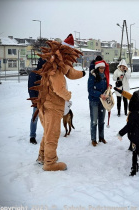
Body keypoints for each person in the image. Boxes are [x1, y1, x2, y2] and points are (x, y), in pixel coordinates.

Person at [30, 34, 86, 171]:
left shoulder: (58, 65)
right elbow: (58, 88)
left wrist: (82, 74)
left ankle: (42, 157)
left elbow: (70, 72)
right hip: (52, 107)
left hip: (46, 104)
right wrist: (68, 95)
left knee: (47, 133)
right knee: (52, 134)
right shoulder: (55, 69)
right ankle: (50, 162)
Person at [117, 89, 139, 176]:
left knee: (135, 152)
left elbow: (129, 126)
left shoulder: (133, 114)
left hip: (135, 136)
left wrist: (120, 133)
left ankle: (134, 167)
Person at [88, 60, 110, 147]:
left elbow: (104, 87)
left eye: (103, 68)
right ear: (97, 68)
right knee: (94, 121)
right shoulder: (92, 76)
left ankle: (101, 137)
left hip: (102, 101)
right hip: (94, 101)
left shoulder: (104, 76)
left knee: (101, 121)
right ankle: (93, 139)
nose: (102, 70)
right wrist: (99, 95)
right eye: (101, 68)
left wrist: (108, 87)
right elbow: (90, 90)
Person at [28, 58, 45, 144]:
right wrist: (34, 101)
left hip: (46, 100)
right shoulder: (34, 74)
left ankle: (47, 134)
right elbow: (31, 88)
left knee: (46, 118)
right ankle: (32, 136)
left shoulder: (45, 73)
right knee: (35, 118)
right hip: (37, 100)